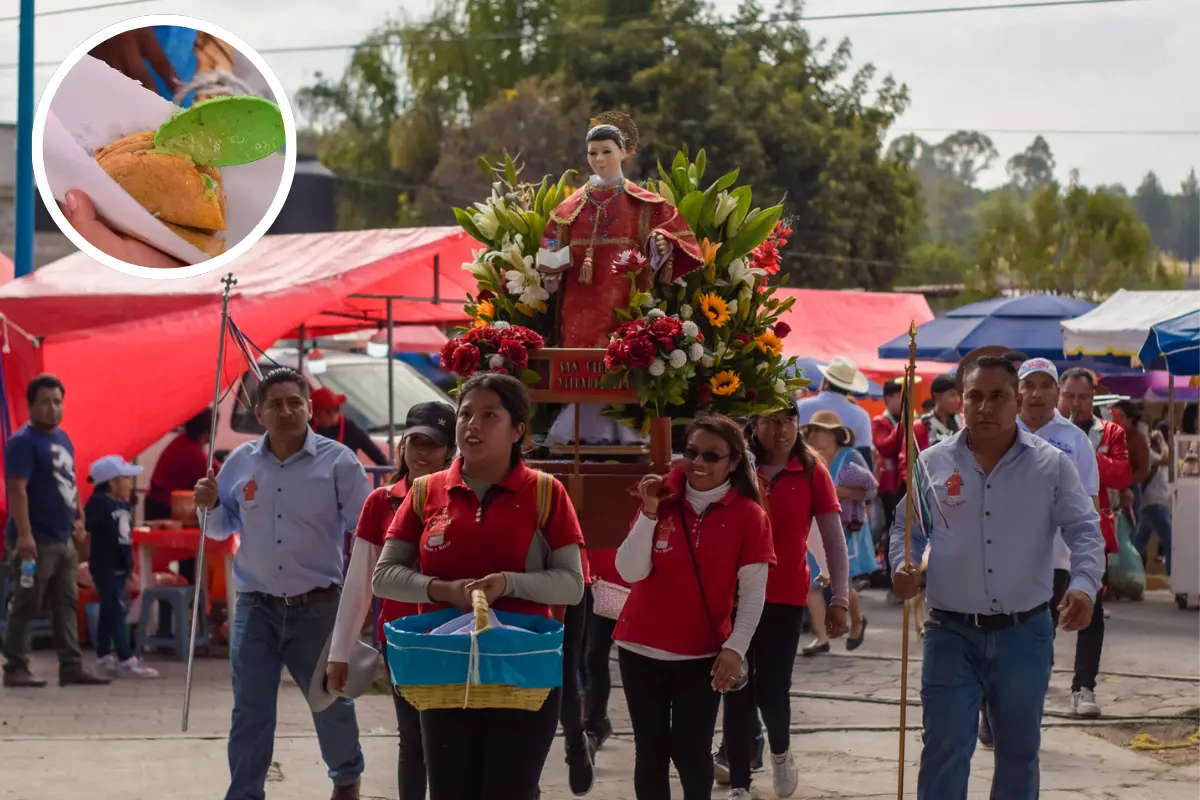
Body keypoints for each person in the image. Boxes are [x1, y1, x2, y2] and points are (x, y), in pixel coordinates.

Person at [889, 356, 1104, 800]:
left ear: (1016, 401)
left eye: (998, 396)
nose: (985, 407)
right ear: (961, 401)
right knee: (944, 748)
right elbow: (907, 528)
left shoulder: (1052, 465)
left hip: (1025, 634)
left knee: (1018, 754)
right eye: (975, 396)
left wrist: (1084, 586)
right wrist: (902, 565)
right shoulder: (932, 463)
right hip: (950, 633)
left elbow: (1085, 531)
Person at [373, 372, 586, 800]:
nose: (473, 425)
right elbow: (384, 576)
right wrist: (443, 590)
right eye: (466, 414)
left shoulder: (547, 493)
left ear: (518, 430)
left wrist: (509, 583)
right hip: (445, 670)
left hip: (522, 670)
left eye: (490, 415)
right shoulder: (425, 492)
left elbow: (571, 585)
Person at [192, 368, 371, 800]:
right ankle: (245, 793)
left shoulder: (338, 462)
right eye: (275, 404)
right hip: (256, 607)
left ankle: (346, 778)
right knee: (250, 709)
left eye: (294, 402)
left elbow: (366, 529)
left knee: (330, 702)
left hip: (319, 606)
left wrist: (364, 602)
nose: (286, 411)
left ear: (309, 408)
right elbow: (220, 527)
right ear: (259, 413)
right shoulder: (241, 462)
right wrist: (208, 506)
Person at [614, 414, 775, 800]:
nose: (698, 463)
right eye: (691, 452)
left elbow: (754, 591)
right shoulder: (661, 498)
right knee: (649, 752)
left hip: (702, 655)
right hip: (639, 648)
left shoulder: (750, 515)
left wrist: (735, 648)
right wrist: (649, 512)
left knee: (690, 751)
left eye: (711, 455)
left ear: (733, 463)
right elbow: (630, 571)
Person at [540, 115, 703, 447]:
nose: (599, 159)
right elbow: (550, 246)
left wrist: (661, 247)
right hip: (578, 306)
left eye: (606, 151)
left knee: (621, 359)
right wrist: (550, 271)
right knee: (580, 368)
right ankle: (574, 428)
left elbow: (676, 240)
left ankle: (625, 427)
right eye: (592, 152)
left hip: (624, 302)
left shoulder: (644, 204)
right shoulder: (569, 208)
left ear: (624, 152)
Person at [715, 406, 850, 799]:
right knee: (735, 687)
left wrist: (840, 597)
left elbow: (833, 538)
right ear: (753, 425)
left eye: (788, 421)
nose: (781, 430)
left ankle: (780, 751)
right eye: (771, 421)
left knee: (773, 691)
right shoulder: (737, 467)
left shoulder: (811, 471)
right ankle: (740, 782)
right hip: (735, 598)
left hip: (785, 597)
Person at [328, 401, 456, 800]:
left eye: (433, 444)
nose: (422, 452)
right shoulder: (381, 502)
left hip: (457, 637)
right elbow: (359, 581)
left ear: (450, 451)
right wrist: (339, 651)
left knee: (453, 742)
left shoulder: (463, 500)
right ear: (402, 446)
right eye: (415, 441)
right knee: (413, 738)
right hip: (402, 641)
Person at [971, 358, 1099, 747]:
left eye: (1046, 386)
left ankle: (1017, 713)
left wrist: (1086, 567)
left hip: (1054, 559)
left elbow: (1088, 505)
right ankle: (990, 708)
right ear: (1017, 392)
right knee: (992, 632)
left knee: (1034, 639)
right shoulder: (996, 432)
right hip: (996, 554)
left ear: (1057, 393)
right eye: (1029, 385)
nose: (1037, 394)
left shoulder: (1074, 440)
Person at [3, 374, 111, 688]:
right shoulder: (22, 443)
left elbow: (69, 481)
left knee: (66, 602)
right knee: (27, 603)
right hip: (35, 541)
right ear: (30, 406)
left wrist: (79, 516)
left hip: (63, 539)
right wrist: (25, 535)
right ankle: (15, 667)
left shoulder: (63, 438)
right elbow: (17, 490)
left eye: (57, 401)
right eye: (45, 402)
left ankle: (71, 666)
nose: (52, 408)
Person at [1058, 367, 1131, 718]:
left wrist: (1085, 451)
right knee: (1040, 612)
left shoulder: (1111, 432)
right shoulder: (1046, 431)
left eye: (1083, 397)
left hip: (1091, 531)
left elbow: (1121, 474)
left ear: (1093, 397)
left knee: (1092, 608)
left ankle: (1083, 686)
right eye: (1069, 396)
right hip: (1048, 533)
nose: (1076, 403)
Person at [84, 455, 159, 679]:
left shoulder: (123, 505)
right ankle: (127, 659)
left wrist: (129, 568)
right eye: (126, 479)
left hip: (120, 567)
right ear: (112, 482)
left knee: (110, 610)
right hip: (105, 567)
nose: (130, 483)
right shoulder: (97, 505)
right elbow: (87, 530)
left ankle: (103, 655)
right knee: (115, 611)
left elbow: (124, 540)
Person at [804, 411, 872, 651]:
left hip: (845, 527)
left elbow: (871, 490)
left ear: (833, 435)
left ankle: (857, 622)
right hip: (814, 527)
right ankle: (821, 637)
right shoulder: (808, 458)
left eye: (819, 430)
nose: (813, 435)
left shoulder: (850, 457)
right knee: (811, 581)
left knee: (841, 581)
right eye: (812, 430)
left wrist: (841, 492)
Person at [145, 409, 220, 577]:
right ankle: (191, 589)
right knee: (187, 555)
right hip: (165, 509)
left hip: (157, 504)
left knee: (175, 558)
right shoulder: (192, 453)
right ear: (206, 434)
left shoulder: (180, 442)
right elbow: (217, 475)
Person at [795, 356, 874, 470]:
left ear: (825, 382)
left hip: (802, 471)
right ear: (849, 388)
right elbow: (865, 457)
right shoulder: (861, 416)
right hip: (842, 477)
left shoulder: (800, 406)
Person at [310, 388, 389, 466]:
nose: (315, 419)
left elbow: (382, 461)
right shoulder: (308, 426)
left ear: (331, 412)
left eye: (317, 416)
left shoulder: (352, 431)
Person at [1135, 428, 1173, 576]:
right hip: (1155, 504)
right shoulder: (1149, 453)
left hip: (1152, 504)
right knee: (1171, 543)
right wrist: (1162, 440)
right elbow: (1166, 458)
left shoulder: (1154, 453)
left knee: (1138, 544)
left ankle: (1131, 573)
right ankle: (1172, 576)